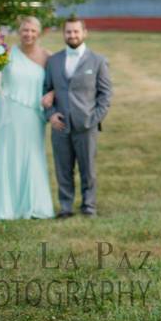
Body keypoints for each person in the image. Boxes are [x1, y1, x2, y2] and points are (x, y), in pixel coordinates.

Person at [0, 17, 55, 220]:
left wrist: (52, 94)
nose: (28, 34)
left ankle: (32, 204)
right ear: (19, 32)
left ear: (39, 33)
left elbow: (56, 84)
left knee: (31, 156)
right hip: (7, 113)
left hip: (32, 115)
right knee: (4, 154)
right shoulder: (5, 53)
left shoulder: (48, 57)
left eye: (32, 31)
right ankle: (5, 207)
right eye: (25, 30)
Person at [42, 18, 112, 218]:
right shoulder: (54, 61)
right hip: (60, 125)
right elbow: (46, 90)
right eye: (68, 32)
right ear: (63, 34)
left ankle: (89, 206)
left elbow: (105, 95)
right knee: (63, 169)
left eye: (76, 32)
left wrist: (93, 118)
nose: (72, 35)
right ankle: (65, 207)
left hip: (86, 125)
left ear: (84, 33)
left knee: (87, 169)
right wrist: (51, 114)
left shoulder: (97, 61)